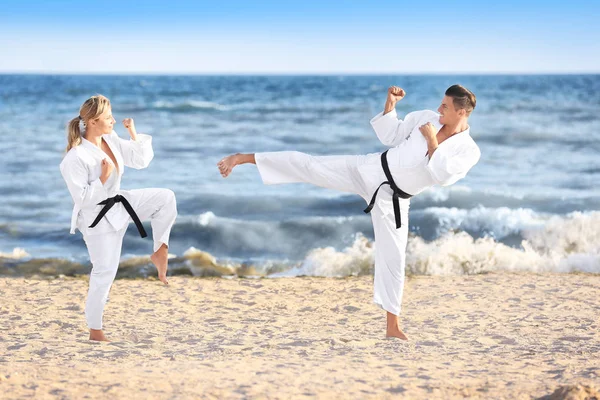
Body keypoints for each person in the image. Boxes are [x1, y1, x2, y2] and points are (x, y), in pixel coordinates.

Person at [217, 84, 481, 339]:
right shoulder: (426, 117)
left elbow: (443, 176)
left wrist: (432, 141)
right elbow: (391, 136)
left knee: (394, 256)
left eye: (445, 106)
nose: (439, 108)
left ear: (462, 112)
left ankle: (392, 325)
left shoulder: (468, 150)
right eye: (440, 103)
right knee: (310, 165)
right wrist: (391, 104)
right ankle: (244, 157)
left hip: (394, 199)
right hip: (370, 169)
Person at [60, 95, 177, 342]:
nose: (113, 120)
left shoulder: (110, 140)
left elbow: (140, 160)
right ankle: (95, 331)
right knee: (104, 273)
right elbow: (82, 199)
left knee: (166, 198)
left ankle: (159, 250)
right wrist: (102, 178)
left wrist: (133, 132)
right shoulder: (75, 157)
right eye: (108, 117)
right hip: (97, 219)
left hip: (120, 203)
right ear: (91, 122)